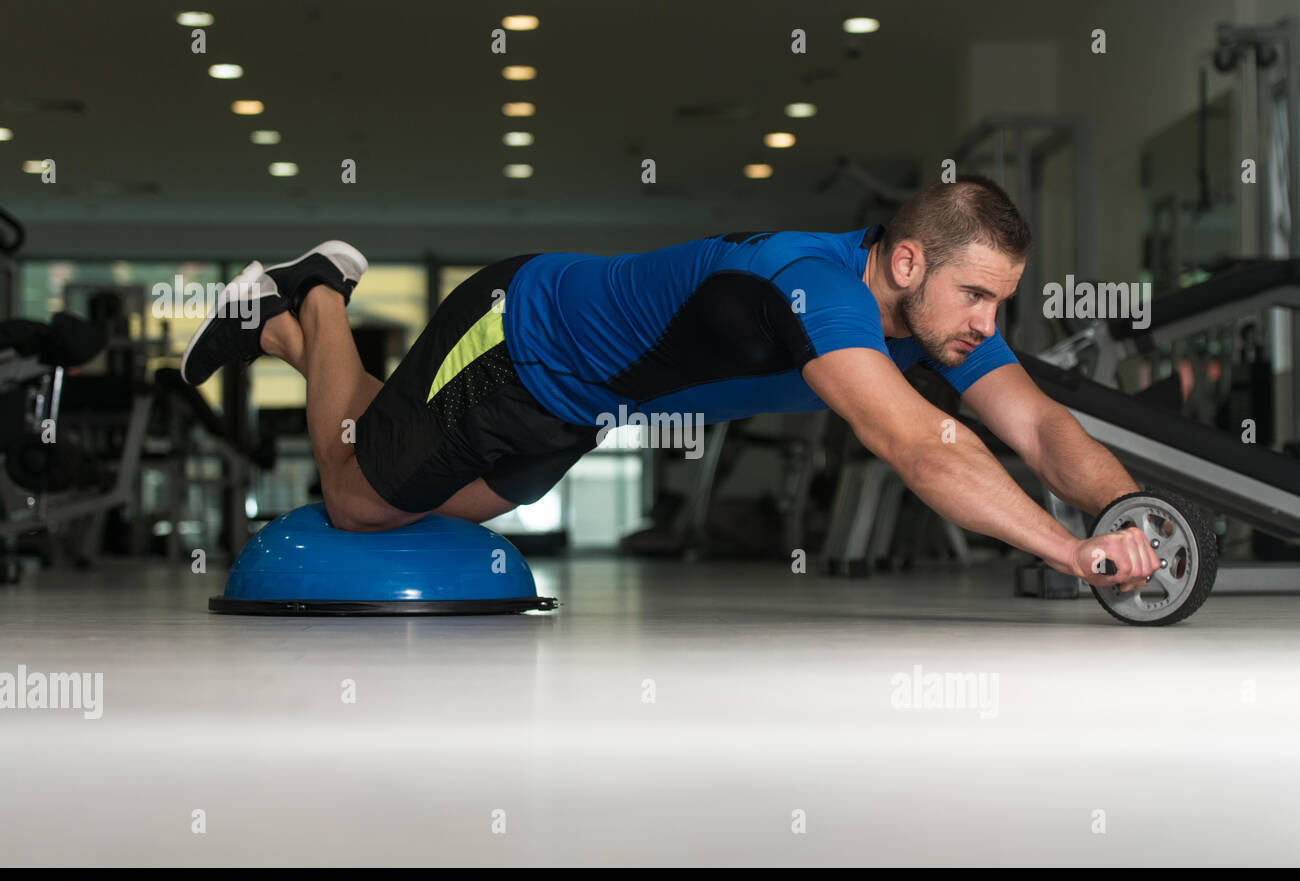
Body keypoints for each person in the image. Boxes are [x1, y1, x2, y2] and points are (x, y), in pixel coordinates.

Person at [181, 175, 1160, 591]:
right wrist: (1069, 552)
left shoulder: (939, 331)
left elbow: (1035, 425)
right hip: (524, 334)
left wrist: (1124, 508)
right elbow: (917, 444)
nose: (989, 325)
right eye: (977, 296)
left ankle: (276, 330)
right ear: (905, 263)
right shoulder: (810, 287)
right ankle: (319, 299)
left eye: (1000, 302)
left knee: (433, 499)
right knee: (358, 498)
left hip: (582, 404)